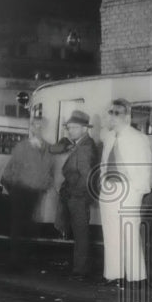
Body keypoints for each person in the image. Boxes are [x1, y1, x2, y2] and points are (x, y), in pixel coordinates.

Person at [99, 98, 150, 287]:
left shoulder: (138, 138)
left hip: (129, 189)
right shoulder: (109, 138)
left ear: (127, 116)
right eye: (110, 113)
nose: (112, 117)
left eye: (116, 113)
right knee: (110, 232)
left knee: (129, 231)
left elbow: (144, 167)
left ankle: (136, 278)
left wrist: (138, 190)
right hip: (109, 189)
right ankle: (113, 275)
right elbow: (104, 164)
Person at [1, 116, 55, 271]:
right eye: (35, 125)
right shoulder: (21, 147)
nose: (38, 128)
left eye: (41, 126)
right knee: (18, 227)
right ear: (31, 128)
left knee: (32, 227)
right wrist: (15, 191)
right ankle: (15, 262)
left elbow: (50, 171)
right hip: (21, 192)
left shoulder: (48, 148)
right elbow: (10, 170)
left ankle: (25, 261)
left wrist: (45, 186)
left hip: (36, 194)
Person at [51, 110, 99, 279]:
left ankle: (81, 270)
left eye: (73, 127)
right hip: (77, 195)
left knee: (81, 234)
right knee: (80, 233)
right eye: (68, 127)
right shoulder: (81, 144)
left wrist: (73, 193)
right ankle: (80, 268)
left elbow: (86, 176)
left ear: (84, 128)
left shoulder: (85, 148)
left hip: (78, 197)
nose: (69, 131)